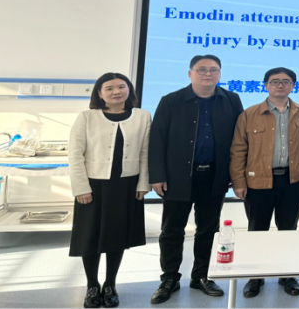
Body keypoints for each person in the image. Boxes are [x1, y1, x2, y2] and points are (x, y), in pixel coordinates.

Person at [148, 55, 244, 304]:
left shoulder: (231, 99)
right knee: (172, 230)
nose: (207, 74)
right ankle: (169, 278)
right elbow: (157, 139)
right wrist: (157, 175)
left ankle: (201, 276)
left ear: (220, 74)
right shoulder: (171, 100)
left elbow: (240, 140)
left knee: (208, 230)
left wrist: (236, 175)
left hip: (214, 176)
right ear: (190, 73)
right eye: (201, 69)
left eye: (213, 70)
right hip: (178, 177)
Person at [69, 73, 151, 309]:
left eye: (121, 87)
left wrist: (143, 184)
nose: (116, 92)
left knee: (117, 235)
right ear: (100, 93)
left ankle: (110, 284)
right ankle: (92, 285)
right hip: (93, 186)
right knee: (90, 236)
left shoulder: (143, 116)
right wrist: (81, 188)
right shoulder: (87, 117)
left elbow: (145, 153)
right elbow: (75, 154)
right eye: (110, 88)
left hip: (126, 185)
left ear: (129, 90)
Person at [230, 67, 299, 298]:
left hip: (293, 181)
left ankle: (287, 275)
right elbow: (238, 149)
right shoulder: (249, 114)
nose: (280, 85)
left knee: (288, 230)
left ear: (293, 86)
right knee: (258, 230)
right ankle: (255, 277)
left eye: (286, 81)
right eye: (275, 81)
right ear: (265, 85)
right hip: (258, 181)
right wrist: (238, 181)